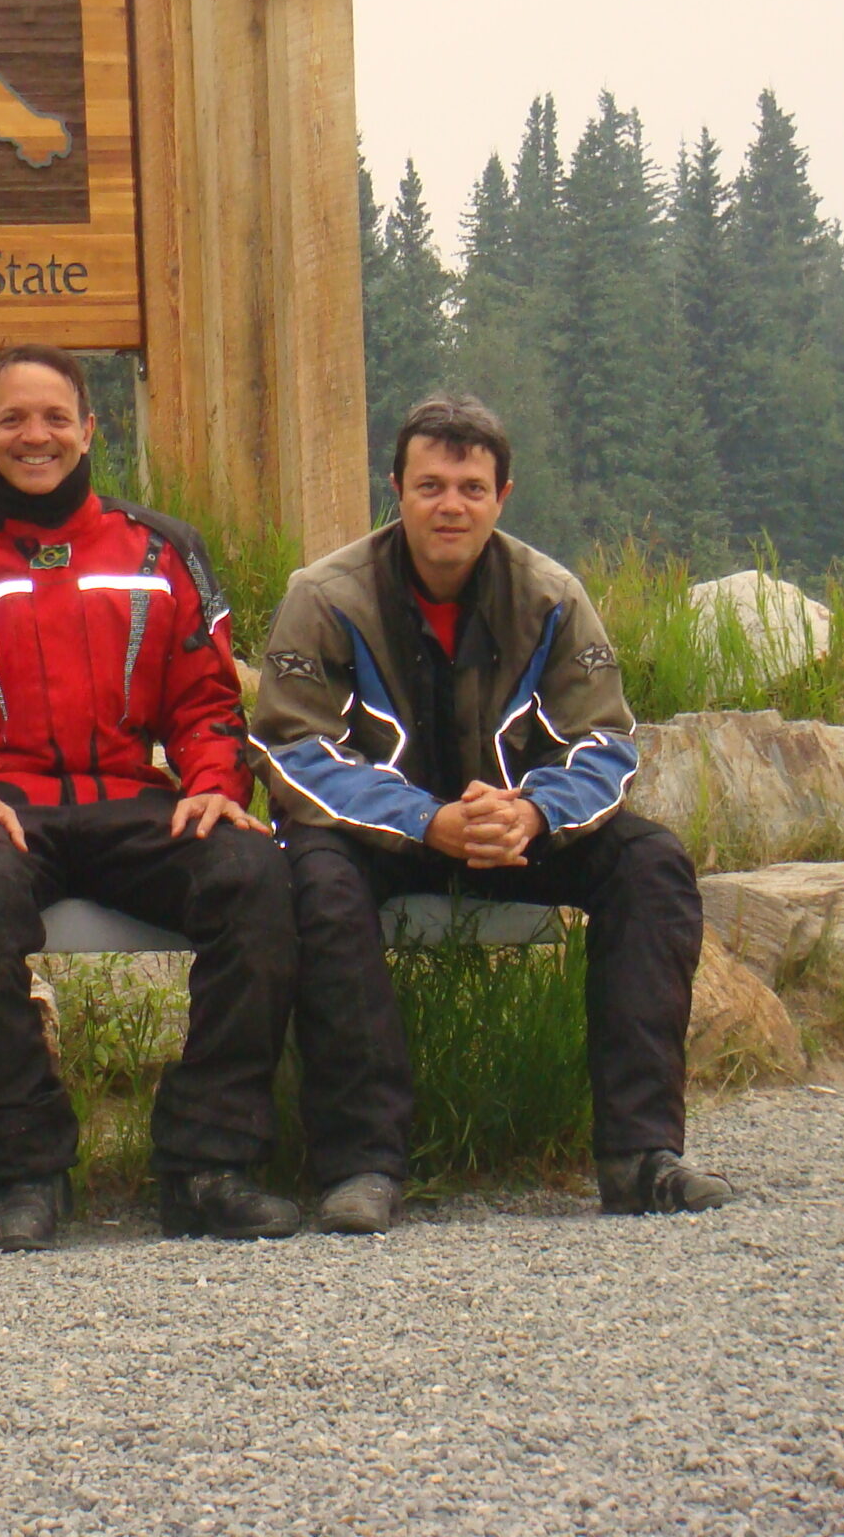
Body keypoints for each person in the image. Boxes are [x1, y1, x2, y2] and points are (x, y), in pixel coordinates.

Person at [251, 394, 733, 1233]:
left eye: (472, 488)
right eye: (431, 484)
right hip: (383, 835)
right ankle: (362, 1164)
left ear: (502, 496)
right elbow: (294, 752)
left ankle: (639, 1154)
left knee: (651, 863)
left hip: (513, 832)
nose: (451, 505)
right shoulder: (324, 597)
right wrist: (425, 820)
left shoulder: (551, 596)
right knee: (312, 877)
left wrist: (535, 814)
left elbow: (606, 742)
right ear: (395, 488)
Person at [0, 345, 300, 1250]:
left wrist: (217, 786)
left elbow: (207, 701)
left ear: (89, 428)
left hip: (132, 803)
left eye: (56, 417)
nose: (38, 436)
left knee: (256, 874)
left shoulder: (164, 549)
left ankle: (208, 1162)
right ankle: (20, 1171)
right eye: (15, 419)